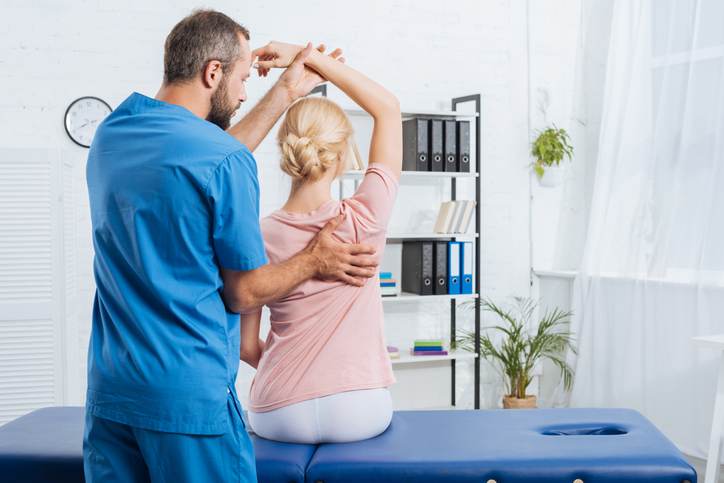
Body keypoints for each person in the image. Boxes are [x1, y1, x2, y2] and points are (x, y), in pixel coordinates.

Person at [83, 10, 377, 483]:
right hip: (187, 400)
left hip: (113, 391)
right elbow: (243, 293)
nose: (244, 93)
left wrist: (284, 93)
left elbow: (202, 159)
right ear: (212, 72)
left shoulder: (113, 134)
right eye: (242, 79)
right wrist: (315, 259)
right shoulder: (222, 161)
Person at [237, 42, 402, 444]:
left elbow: (245, 346)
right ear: (343, 154)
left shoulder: (255, 232)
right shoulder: (365, 218)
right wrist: (307, 55)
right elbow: (388, 108)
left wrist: (291, 377)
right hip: (358, 408)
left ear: (284, 150)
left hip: (277, 410)